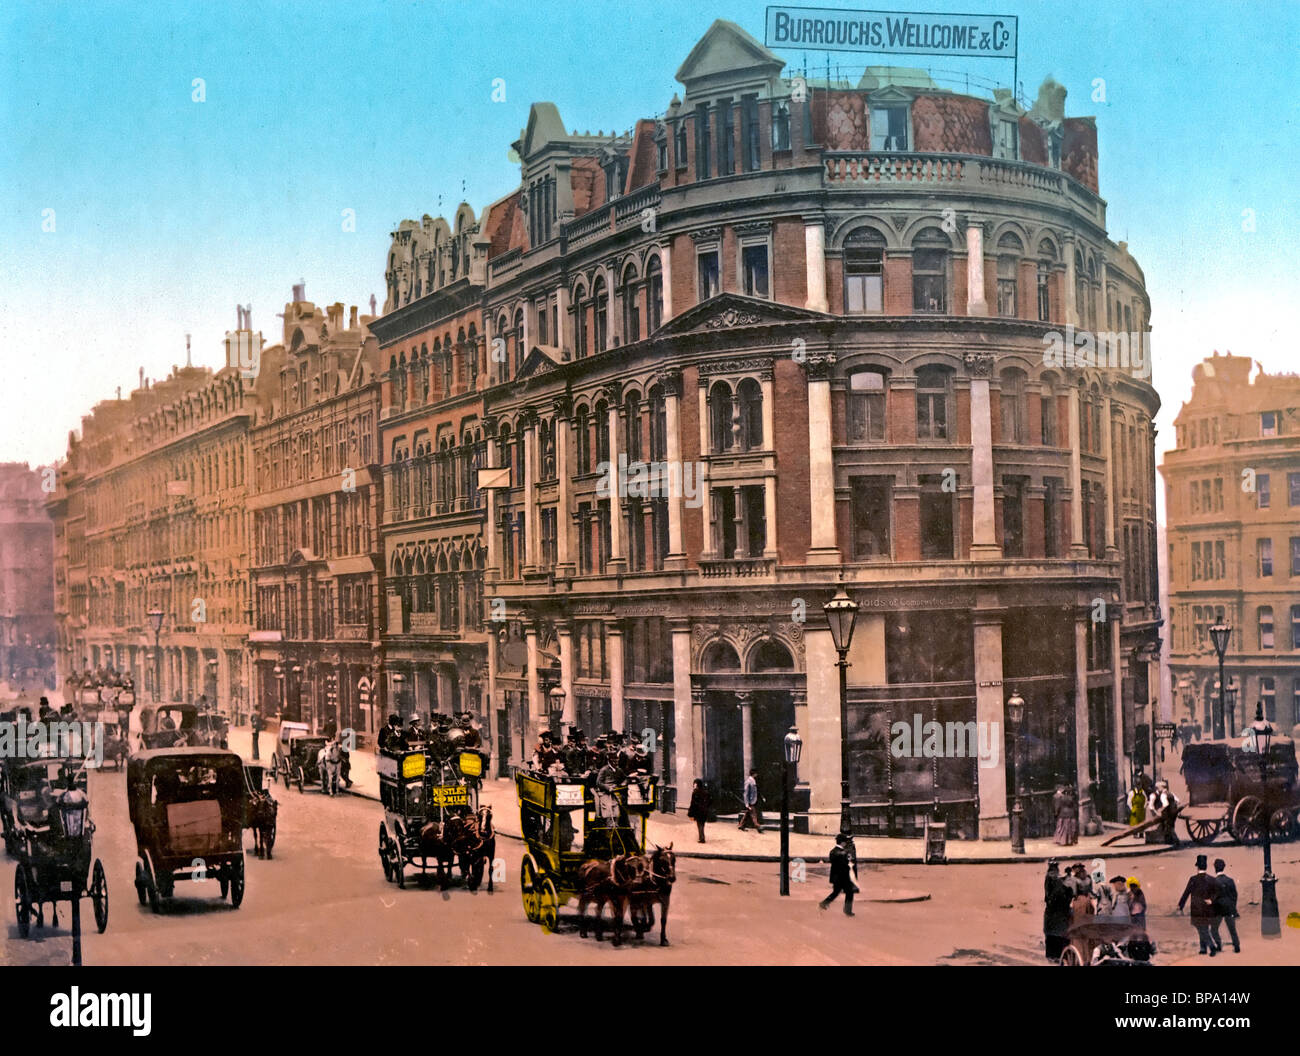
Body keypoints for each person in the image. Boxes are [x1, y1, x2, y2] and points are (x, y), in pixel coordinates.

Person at [1177, 853, 1220, 955]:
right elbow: (1218, 893)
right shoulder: (1212, 879)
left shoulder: (1193, 879)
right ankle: (1203, 949)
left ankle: (1211, 946)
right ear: (1206, 866)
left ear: (1197, 866)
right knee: (1204, 927)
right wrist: (1212, 900)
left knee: (1201, 929)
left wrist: (1181, 905)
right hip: (1208, 909)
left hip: (1197, 909)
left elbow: (1186, 893)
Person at [819, 833, 859, 915]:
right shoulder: (840, 852)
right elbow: (843, 864)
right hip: (842, 877)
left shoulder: (834, 851)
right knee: (849, 892)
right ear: (842, 842)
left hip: (837, 877)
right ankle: (847, 910)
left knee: (836, 892)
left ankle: (824, 903)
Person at [1043, 860, 1072, 960]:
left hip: (1058, 912)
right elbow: (1050, 895)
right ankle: (1055, 954)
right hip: (1055, 912)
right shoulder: (1051, 879)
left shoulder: (1055, 879)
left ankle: (1056, 954)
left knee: (1056, 934)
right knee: (1055, 935)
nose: (1054, 872)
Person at [1211, 858, 1240, 953]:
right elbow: (1235, 895)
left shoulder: (1214, 882)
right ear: (1224, 867)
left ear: (1215, 868)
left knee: (1214, 929)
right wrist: (1233, 907)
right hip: (1229, 908)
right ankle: (1236, 946)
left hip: (1219, 909)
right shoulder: (1230, 880)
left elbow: (1213, 897)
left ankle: (1219, 945)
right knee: (1232, 929)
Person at [1148, 780, 1180, 845]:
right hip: (1173, 813)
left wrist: (1160, 810)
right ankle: (1173, 840)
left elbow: (1166, 804)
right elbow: (1178, 801)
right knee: (1170, 826)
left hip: (1167, 814)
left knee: (1167, 827)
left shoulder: (1163, 794)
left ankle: (1171, 841)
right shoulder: (1171, 793)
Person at [687, 779, 711, 844]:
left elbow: (692, 803)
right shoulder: (706, 792)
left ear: (697, 785)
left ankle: (701, 838)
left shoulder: (695, 792)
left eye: (694, 784)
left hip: (698, 811)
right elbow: (709, 802)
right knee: (702, 824)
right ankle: (702, 837)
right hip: (704, 811)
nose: (694, 785)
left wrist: (690, 811)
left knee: (699, 824)